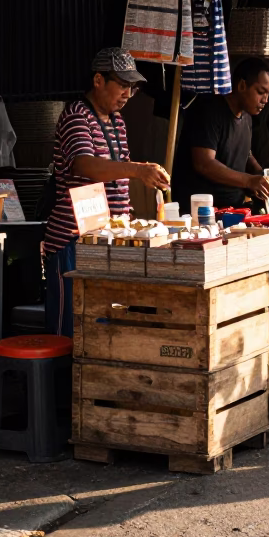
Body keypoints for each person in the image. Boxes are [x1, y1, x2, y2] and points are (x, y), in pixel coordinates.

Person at [44, 49, 170, 337]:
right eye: (122, 85)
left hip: (106, 241)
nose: (127, 93)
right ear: (98, 80)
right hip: (73, 241)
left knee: (101, 330)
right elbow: (87, 165)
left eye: (132, 88)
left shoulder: (117, 123)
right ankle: (63, 383)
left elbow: (116, 175)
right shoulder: (77, 115)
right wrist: (139, 170)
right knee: (71, 331)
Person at [172, 57, 269, 212]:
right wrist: (249, 181)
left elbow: (245, 154)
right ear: (241, 85)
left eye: (268, 94)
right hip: (201, 212)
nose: (265, 100)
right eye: (261, 92)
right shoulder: (209, 110)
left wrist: (263, 175)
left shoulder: (247, 117)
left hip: (233, 209)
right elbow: (204, 163)